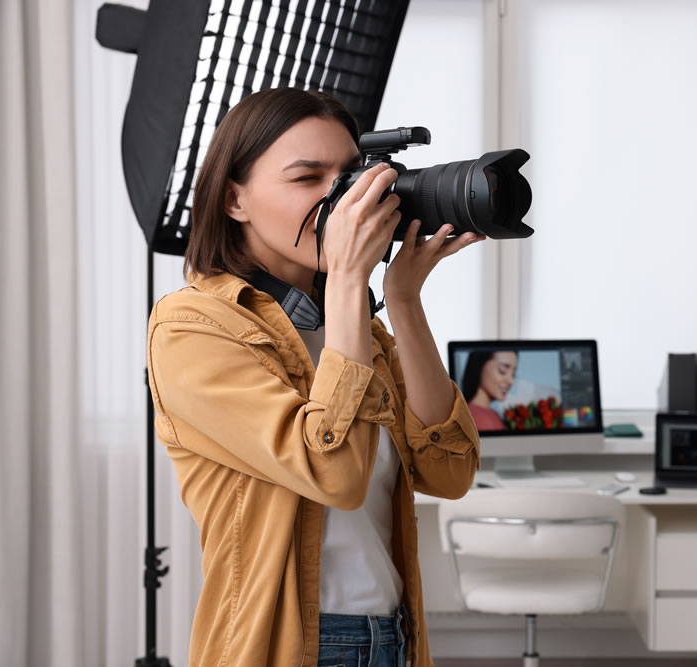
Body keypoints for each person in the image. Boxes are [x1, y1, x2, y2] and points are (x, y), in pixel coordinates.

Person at [146, 87, 483, 667]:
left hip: (396, 638)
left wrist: (402, 301)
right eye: (308, 178)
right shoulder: (192, 327)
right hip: (291, 648)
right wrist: (351, 280)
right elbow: (336, 473)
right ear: (234, 200)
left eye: (349, 177)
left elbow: (448, 472)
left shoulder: (355, 328)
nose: (342, 201)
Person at [460, 350, 517, 431]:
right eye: (502, 371)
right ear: (480, 365)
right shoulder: (481, 419)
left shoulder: (491, 414)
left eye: (513, 374)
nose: (511, 381)